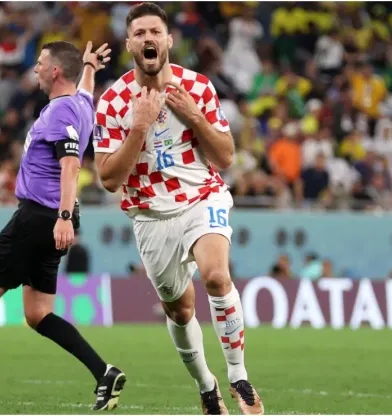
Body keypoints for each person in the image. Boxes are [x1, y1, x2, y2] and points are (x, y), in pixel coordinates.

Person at [0, 40, 126, 411]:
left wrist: (63, 217)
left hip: (40, 217)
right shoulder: (81, 104)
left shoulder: (57, 113)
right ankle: (104, 372)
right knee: (37, 313)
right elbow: (85, 89)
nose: (34, 69)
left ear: (54, 72)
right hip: (54, 217)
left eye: (40, 63)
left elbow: (70, 166)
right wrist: (91, 67)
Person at [93, 3, 263, 415]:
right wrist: (140, 126)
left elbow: (225, 157)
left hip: (202, 197)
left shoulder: (198, 88)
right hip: (150, 215)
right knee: (179, 307)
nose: (148, 39)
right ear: (129, 43)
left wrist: (194, 116)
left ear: (168, 40)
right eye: (140, 33)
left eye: (156, 31)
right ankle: (207, 386)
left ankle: (238, 376)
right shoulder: (114, 103)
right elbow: (109, 179)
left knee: (217, 276)